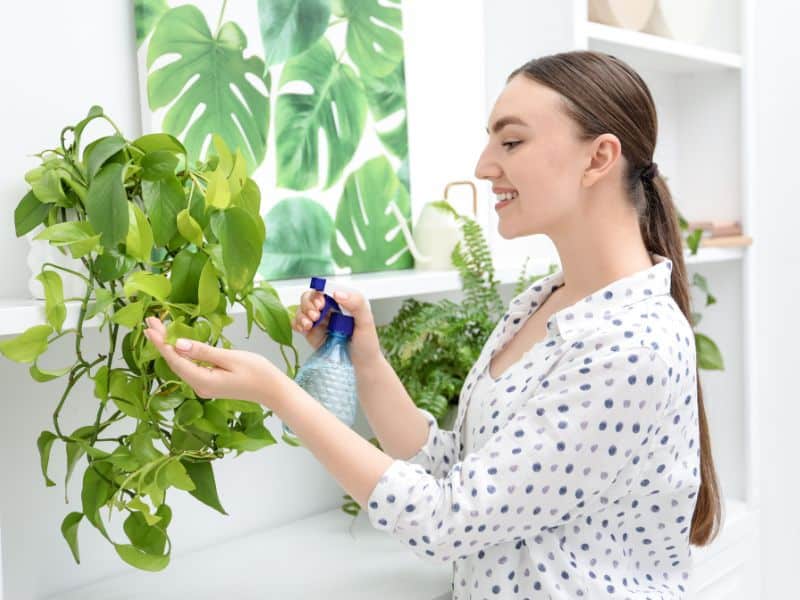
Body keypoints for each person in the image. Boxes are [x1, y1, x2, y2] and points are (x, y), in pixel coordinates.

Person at [143, 49, 721, 598]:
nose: (483, 165)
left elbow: (447, 519)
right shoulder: (546, 302)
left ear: (598, 158)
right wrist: (366, 359)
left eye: (512, 140)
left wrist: (278, 393)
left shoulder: (631, 341)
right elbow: (454, 469)